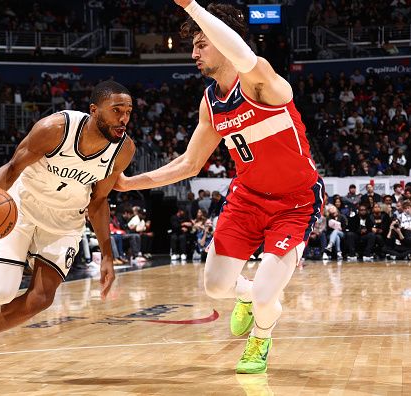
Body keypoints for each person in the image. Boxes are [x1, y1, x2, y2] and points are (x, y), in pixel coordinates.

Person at [115, 1, 323, 374]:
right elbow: (189, 164)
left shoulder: (260, 78)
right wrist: (131, 183)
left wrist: (192, 6)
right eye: (193, 47)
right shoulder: (210, 103)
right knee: (215, 286)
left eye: (200, 44)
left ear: (221, 40)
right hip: (247, 200)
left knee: (266, 294)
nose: (193, 54)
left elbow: (243, 55)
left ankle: (260, 338)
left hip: (295, 203)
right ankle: (243, 296)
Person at [0, 80, 136, 378]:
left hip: (66, 222)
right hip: (22, 211)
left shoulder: (123, 150)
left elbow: (99, 201)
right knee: (3, 294)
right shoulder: (55, 128)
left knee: (41, 299)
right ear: (94, 110)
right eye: (116, 110)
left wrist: (107, 255)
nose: (123, 118)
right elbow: (13, 168)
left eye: (128, 111)